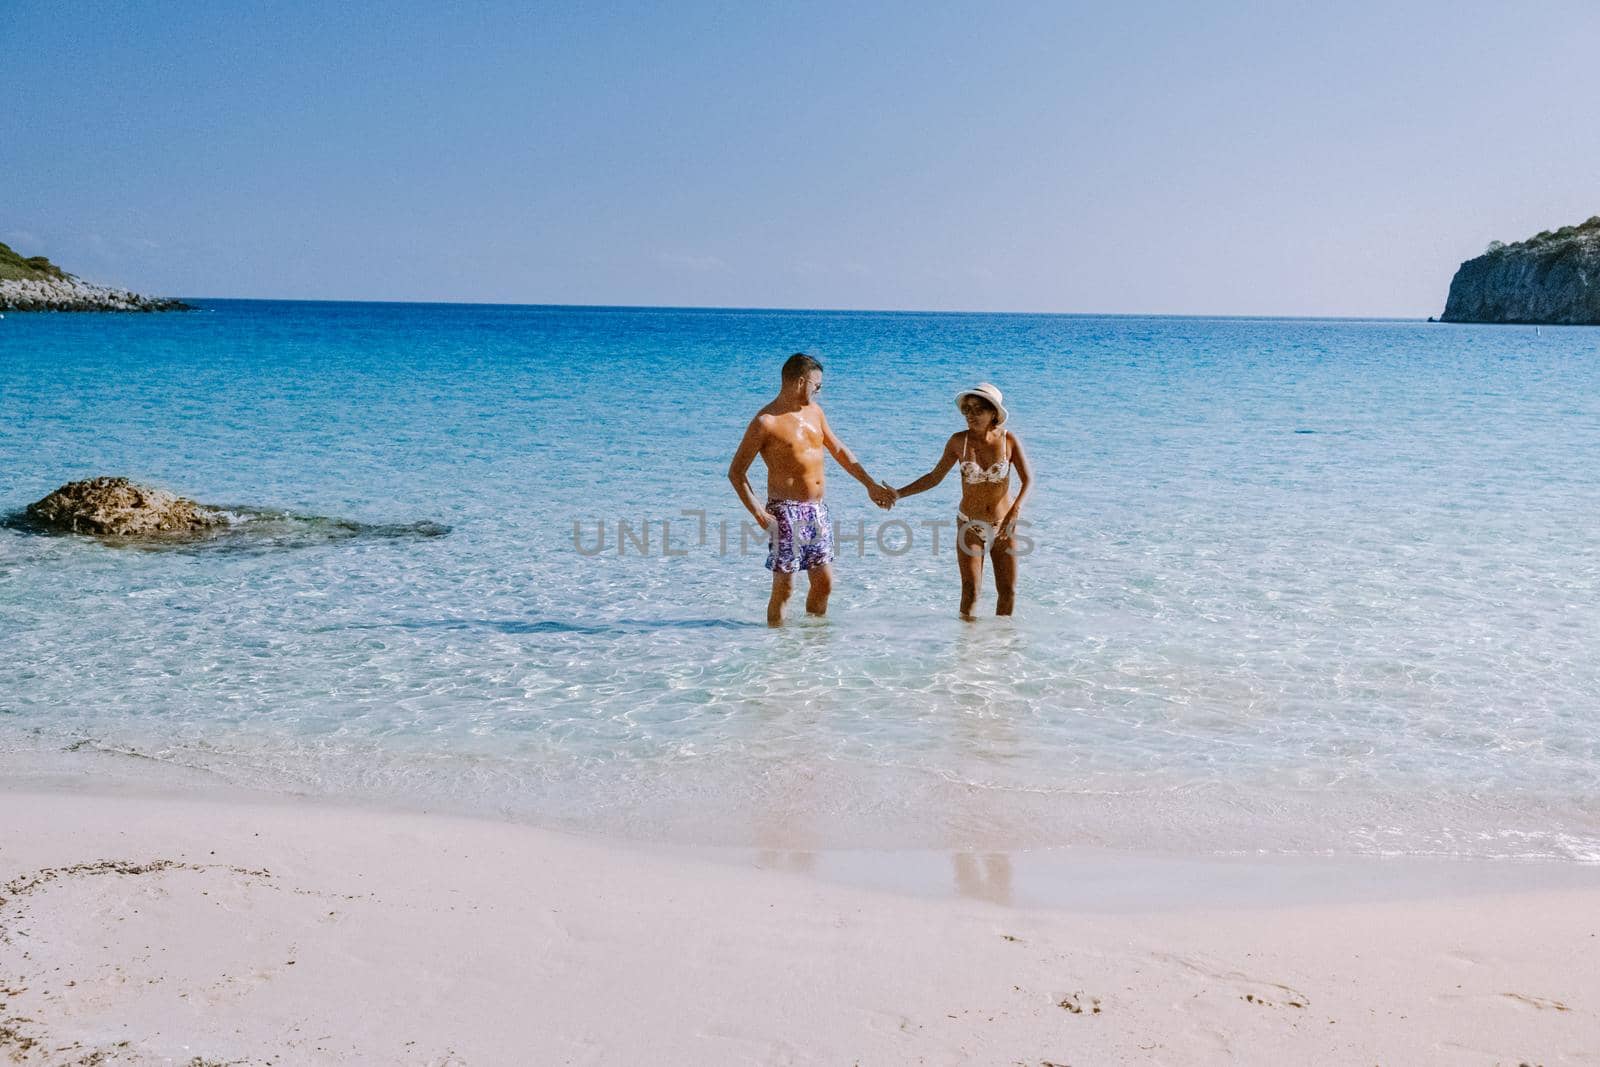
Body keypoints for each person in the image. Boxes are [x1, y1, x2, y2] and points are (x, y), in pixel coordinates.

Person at [728, 353, 896, 626]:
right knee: (785, 588)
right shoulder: (766, 421)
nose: (819, 391)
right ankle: (778, 650)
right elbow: (736, 472)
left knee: (825, 583)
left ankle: (813, 646)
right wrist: (758, 512)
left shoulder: (815, 413)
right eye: (817, 386)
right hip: (785, 512)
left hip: (817, 511)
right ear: (800, 381)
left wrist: (869, 484)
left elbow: (839, 450)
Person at [894, 382, 1033, 620]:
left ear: (993, 414)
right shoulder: (959, 442)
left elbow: (1028, 480)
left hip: (1004, 526)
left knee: (1008, 591)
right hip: (969, 524)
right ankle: (966, 649)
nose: (970, 415)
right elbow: (934, 477)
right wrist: (898, 494)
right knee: (970, 592)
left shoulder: (1009, 441)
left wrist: (1014, 511)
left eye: (978, 409)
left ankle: (1002, 648)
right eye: (966, 409)